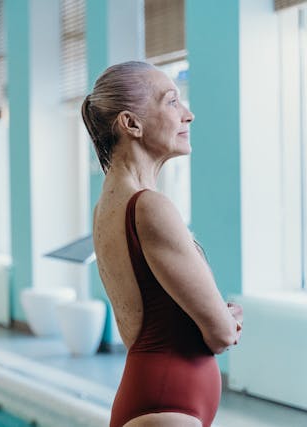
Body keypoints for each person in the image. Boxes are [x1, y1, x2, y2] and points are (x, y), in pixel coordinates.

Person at [81, 61, 243, 427]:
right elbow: (218, 335)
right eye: (172, 102)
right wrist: (225, 318)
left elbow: (143, 319)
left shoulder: (107, 208)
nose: (188, 114)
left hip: (156, 397)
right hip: (168, 407)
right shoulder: (149, 207)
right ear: (131, 124)